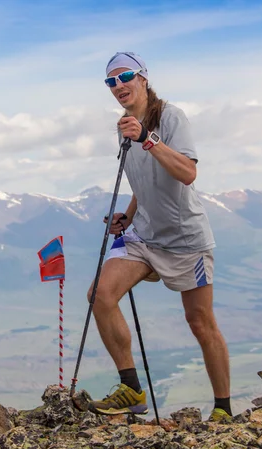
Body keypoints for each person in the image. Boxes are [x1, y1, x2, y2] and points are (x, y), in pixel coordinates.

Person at [85, 51, 232, 422]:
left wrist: (148, 139)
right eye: (111, 81)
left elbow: (186, 172)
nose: (119, 85)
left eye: (126, 76)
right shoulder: (124, 126)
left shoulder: (170, 118)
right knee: (100, 294)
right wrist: (127, 216)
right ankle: (131, 389)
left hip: (186, 240)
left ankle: (223, 410)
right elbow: (143, 182)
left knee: (200, 322)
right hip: (144, 237)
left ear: (144, 78)